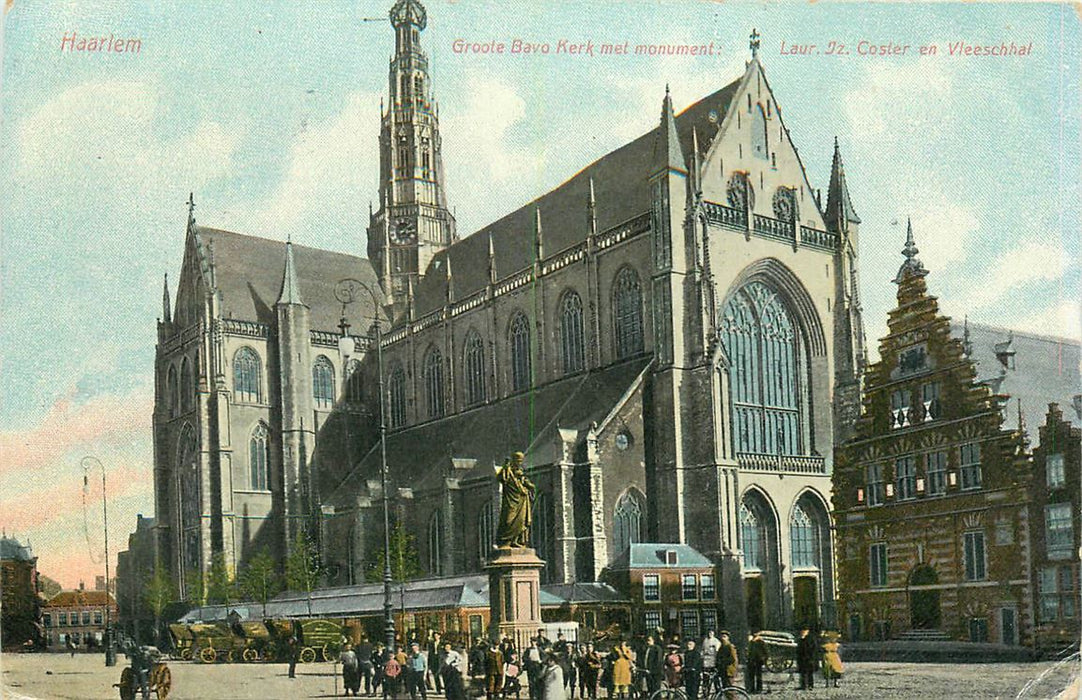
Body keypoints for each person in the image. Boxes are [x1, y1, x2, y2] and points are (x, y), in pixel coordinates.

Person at [496, 452, 535, 548]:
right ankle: (506, 541)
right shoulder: (508, 471)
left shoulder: (520, 472)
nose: (519, 463)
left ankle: (516, 540)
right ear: (513, 461)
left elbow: (527, 483)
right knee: (509, 520)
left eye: (521, 461)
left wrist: (530, 487)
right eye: (518, 461)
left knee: (521, 521)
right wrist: (505, 467)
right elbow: (501, 478)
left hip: (522, 500)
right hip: (511, 500)